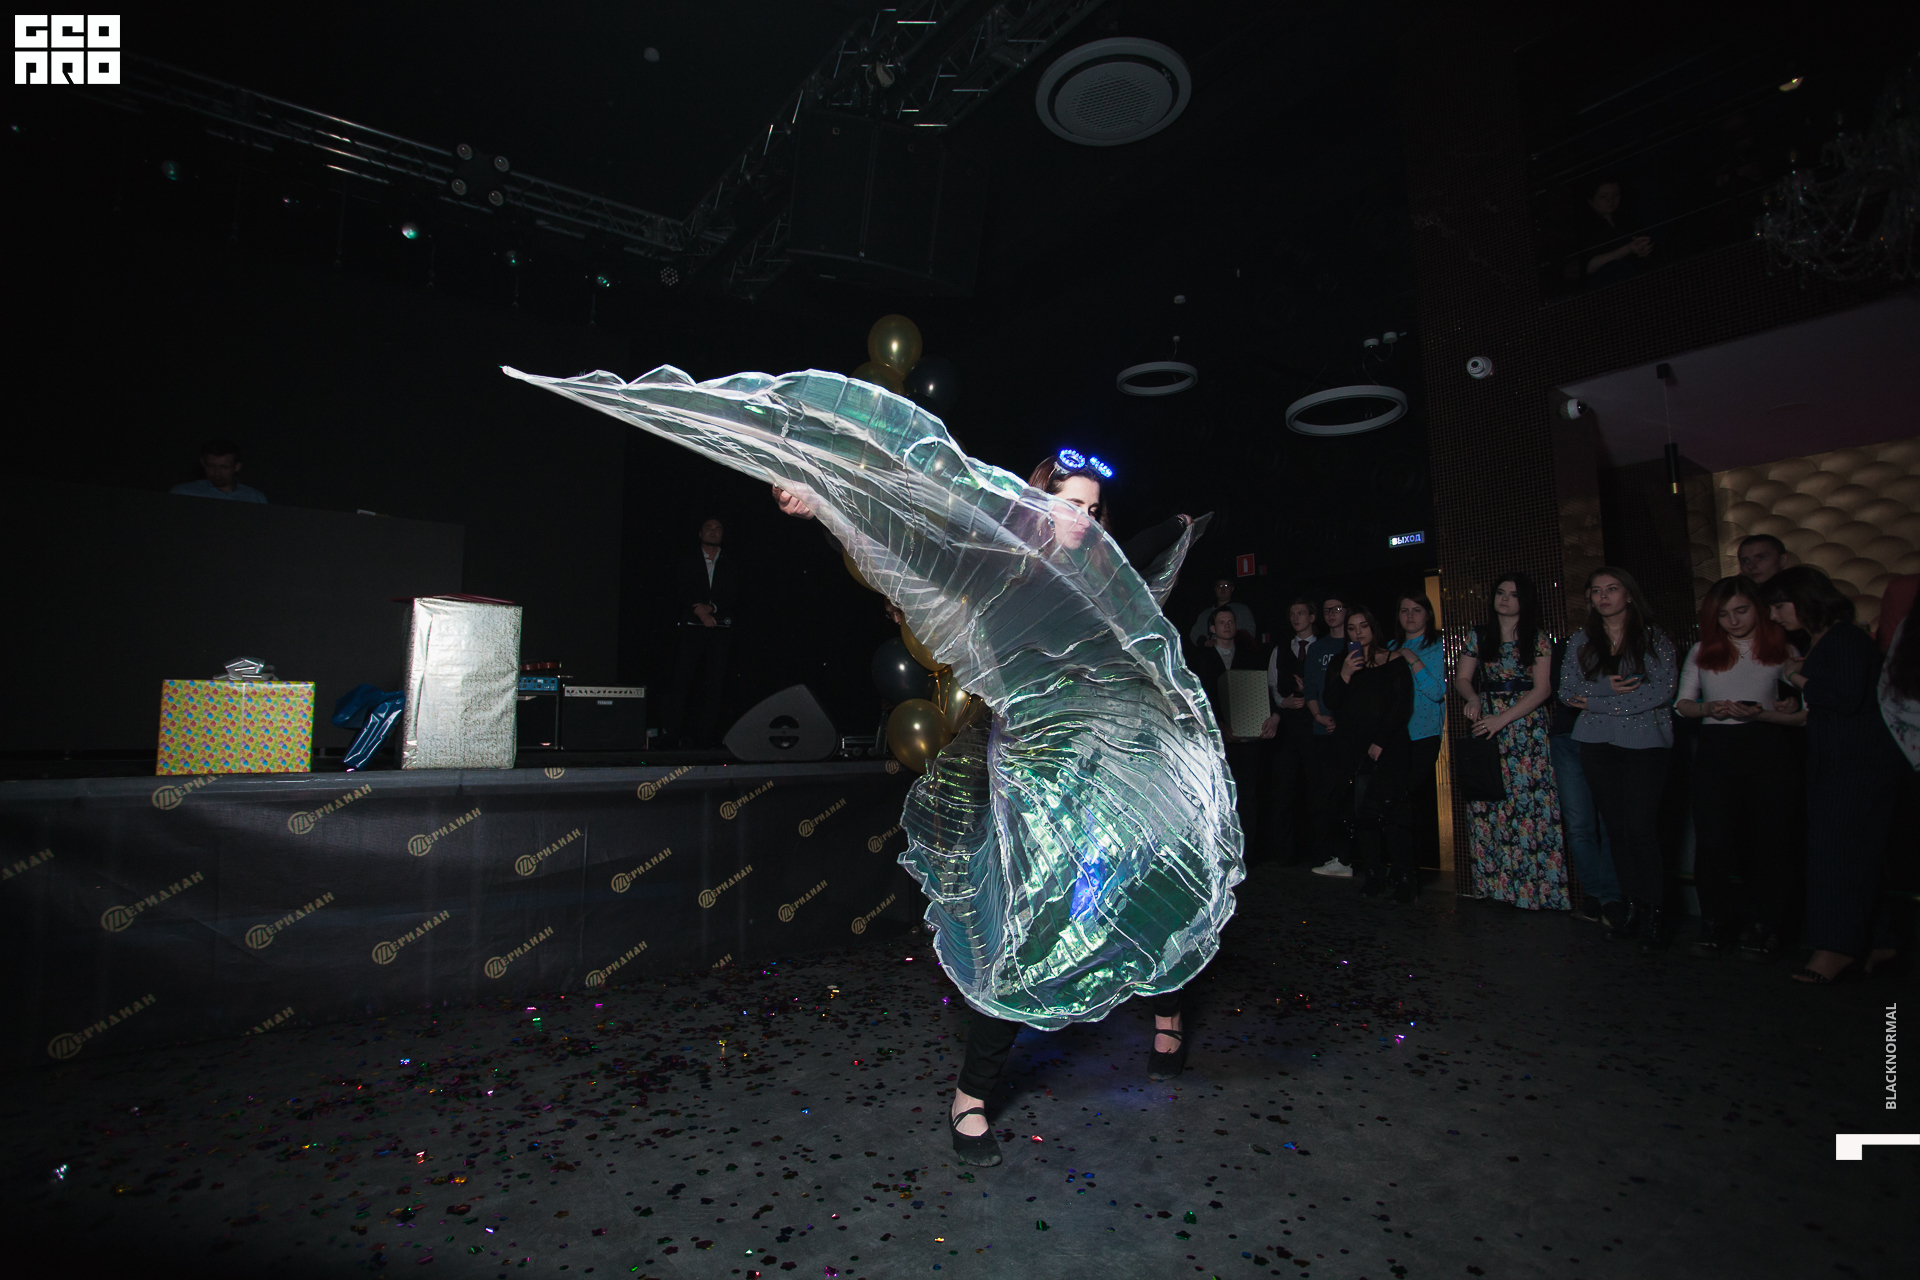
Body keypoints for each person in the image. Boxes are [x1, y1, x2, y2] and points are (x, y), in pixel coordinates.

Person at [773, 449, 1213, 1163]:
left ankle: (1167, 1009)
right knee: (1022, 922)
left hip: (1106, 760)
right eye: (1069, 504)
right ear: (1035, 504)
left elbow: (1150, 547)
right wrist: (822, 504)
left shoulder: (1105, 573)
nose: (1083, 520)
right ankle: (972, 1094)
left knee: (1140, 889)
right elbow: (899, 554)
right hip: (1030, 775)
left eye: (1093, 509)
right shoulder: (995, 568)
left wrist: (1181, 524)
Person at [1764, 566, 1909, 983]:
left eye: (1779, 606)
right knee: (1854, 854)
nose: (1774, 616)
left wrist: (1795, 676)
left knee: (1836, 856)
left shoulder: (1844, 637)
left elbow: (1844, 698)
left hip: (1856, 765)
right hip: (1843, 762)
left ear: (1805, 600)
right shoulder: (1831, 639)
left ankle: (1834, 950)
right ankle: (1879, 943)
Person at [1674, 576, 1803, 958]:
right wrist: (1709, 708)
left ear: (1758, 609)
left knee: (1770, 842)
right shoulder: (1702, 650)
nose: (1733, 620)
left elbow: (1801, 706)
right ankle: (1715, 924)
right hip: (1716, 748)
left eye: (1741, 610)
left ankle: (1768, 926)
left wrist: (1782, 707)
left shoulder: (1781, 647)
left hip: (1767, 747)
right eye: (1724, 614)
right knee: (1713, 842)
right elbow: (1682, 704)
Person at [1559, 567, 1679, 949]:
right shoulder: (1582, 639)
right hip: (1597, 744)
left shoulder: (1653, 636)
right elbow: (1567, 690)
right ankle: (1630, 910)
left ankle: (1655, 915)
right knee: (1616, 830)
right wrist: (1603, 688)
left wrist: (1597, 702)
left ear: (1628, 594)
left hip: (1645, 743)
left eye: (1612, 589)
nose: (1603, 596)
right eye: (1596, 591)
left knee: (1641, 829)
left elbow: (1661, 690)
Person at [1454, 572, 1567, 910]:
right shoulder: (1479, 635)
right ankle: (1495, 887)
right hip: (1486, 723)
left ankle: (1535, 892)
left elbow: (1543, 689)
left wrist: (1502, 719)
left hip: (1525, 726)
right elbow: (1462, 678)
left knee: (1529, 805)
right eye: (1500, 592)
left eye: (1513, 594)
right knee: (1488, 803)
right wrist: (1473, 697)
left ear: (1524, 600)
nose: (1504, 599)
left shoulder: (1538, 637)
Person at [1321, 605, 1416, 901]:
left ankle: (1404, 877)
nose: (1358, 632)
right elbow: (1331, 701)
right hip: (1352, 749)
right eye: (1352, 628)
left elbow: (1401, 706)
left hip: (1389, 747)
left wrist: (1380, 742)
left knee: (1393, 812)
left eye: (1363, 626)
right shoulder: (1341, 662)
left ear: (1373, 628)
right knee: (1362, 814)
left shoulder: (1394, 660)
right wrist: (1346, 673)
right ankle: (1374, 875)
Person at [1548, 636, 1622, 923]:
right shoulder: (1570, 644)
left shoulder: (1632, 642)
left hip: (1609, 735)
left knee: (1610, 821)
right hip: (1567, 735)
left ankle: (1612, 899)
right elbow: (1563, 692)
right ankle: (1594, 896)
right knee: (1579, 825)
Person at [660, 517, 737, 748]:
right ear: (700, 533)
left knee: (715, 684)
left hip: (720, 628)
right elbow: (680, 589)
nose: (713, 532)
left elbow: (734, 593)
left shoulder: (730, 562)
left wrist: (712, 608)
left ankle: (706, 736)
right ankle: (672, 734)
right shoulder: (687, 559)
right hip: (691, 628)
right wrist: (699, 611)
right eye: (708, 528)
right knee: (682, 681)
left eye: (718, 528)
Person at [1257, 598, 1322, 864]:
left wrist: (1311, 695)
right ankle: (1283, 854)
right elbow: (1271, 686)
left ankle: (1319, 852)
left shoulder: (1323, 648)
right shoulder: (1280, 649)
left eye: (1301, 613)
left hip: (1315, 727)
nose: (1296, 618)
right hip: (1287, 726)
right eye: (1292, 613)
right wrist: (1283, 703)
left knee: (1316, 788)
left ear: (1312, 617)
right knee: (1283, 790)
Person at [1192, 605, 1265, 838]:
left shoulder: (1250, 657)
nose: (1227, 626)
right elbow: (1199, 698)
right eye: (1222, 622)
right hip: (1214, 739)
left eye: (1231, 622)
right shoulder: (1200, 660)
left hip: (1246, 739)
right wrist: (1220, 726)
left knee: (1248, 794)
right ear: (1212, 628)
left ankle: (1249, 848)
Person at [1387, 591, 1446, 872]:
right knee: (1394, 801)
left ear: (1428, 614)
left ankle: (1417, 870)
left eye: (1416, 610)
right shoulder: (1389, 647)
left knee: (1414, 800)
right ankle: (1401, 869)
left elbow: (1437, 692)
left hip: (1424, 734)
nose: (1409, 616)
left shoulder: (1438, 646)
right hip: (1394, 735)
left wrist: (1411, 658)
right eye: (1404, 610)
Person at [1303, 595, 1354, 877]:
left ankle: (1349, 857)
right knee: (1325, 795)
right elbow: (1310, 687)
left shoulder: (1355, 644)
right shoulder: (1317, 648)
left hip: (1349, 732)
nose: (1332, 614)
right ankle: (1330, 854)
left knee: (1349, 795)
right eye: (1327, 610)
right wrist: (1318, 715)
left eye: (1337, 608)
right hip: (1321, 729)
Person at [1580, 179, 1653, 287]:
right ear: (1591, 200)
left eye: (1616, 194)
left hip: (1639, 280)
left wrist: (1644, 248)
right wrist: (1628, 249)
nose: (1611, 200)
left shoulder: (1628, 219)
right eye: (1604, 196)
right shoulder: (1586, 229)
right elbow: (1589, 266)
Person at [169, 437, 266, 503]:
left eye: (224, 467)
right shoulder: (183, 493)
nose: (216, 473)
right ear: (203, 463)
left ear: (237, 467)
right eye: (211, 466)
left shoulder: (255, 497)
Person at [1189, 576, 1256, 646]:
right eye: (1220, 586)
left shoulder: (1241, 610)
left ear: (1232, 588)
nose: (1223, 589)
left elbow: (1250, 632)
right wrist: (1206, 643)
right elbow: (1195, 634)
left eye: (1226, 586)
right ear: (1215, 589)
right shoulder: (1206, 614)